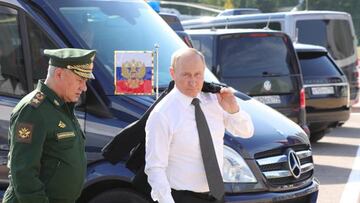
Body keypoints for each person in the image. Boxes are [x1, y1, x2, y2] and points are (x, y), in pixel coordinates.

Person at [145, 48, 254, 203]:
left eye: (198, 74)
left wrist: (233, 111)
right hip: (182, 197)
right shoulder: (162, 114)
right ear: (173, 73)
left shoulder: (214, 100)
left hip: (217, 195)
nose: (193, 81)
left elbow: (246, 132)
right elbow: (155, 168)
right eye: (186, 75)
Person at [2, 48, 96, 203]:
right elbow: (23, 172)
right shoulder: (33, 110)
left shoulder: (62, 106)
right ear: (59, 74)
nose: (84, 87)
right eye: (80, 80)